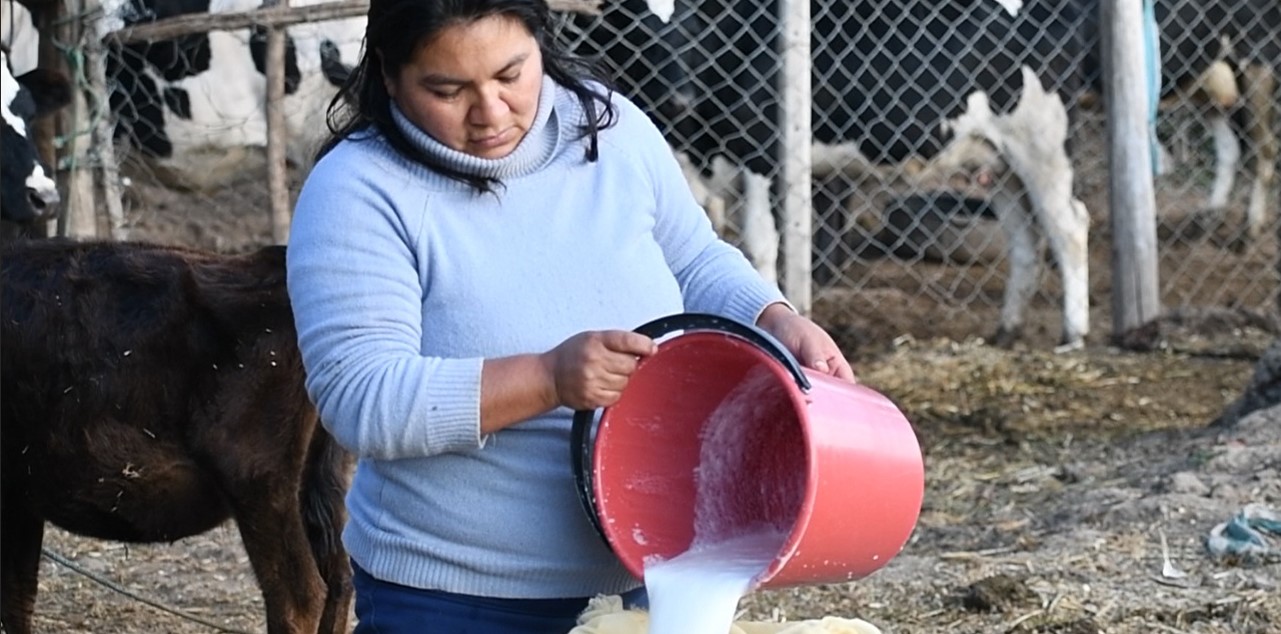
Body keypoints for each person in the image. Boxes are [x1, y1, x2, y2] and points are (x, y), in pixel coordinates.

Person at [284, 1, 856, 632]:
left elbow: (692, 257)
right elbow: (363, 399)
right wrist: (547, 379)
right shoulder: (359, 189)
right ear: (388, 76)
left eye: (511, 74)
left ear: (542, 43)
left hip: (651, 573)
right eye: (447, 90)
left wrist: (770, 316)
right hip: (460, 594)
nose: (490, 114)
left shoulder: (607, 127)